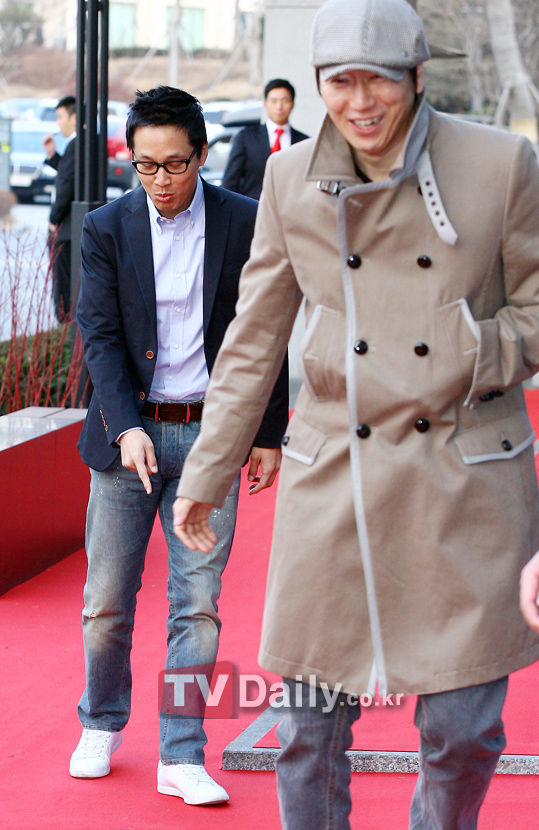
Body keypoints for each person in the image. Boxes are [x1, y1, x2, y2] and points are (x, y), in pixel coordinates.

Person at [172, 0, 539, 827]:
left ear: (419, 76)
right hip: (334, 476)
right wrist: (207, 470)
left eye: (381, 79)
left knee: (463, 733)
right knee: (306, 733)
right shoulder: (288, 178)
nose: (360, 101)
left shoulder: (502, 163)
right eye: (340, 81)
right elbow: (253, 338)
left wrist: (467, 349)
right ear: (318, 83)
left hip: (466, 479)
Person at [71, 85, 288, 806]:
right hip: (126, 435)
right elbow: (99, 335)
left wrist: (267, 432)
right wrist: (125, 425)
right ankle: (100, 721)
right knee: (107, 598)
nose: (159, 180)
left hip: (211, 437)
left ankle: (182, 752)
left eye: (173, 164)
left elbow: (268, 331)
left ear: (201, 155)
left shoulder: (245, 221)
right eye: (145, 165)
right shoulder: (106, 227)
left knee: (197, 602)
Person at [221, 78, 308, 199]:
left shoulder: (304, 142)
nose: (279, 106)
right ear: (265, 103)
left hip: (292, 207)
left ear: (293, 104)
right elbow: (230, 182)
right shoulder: (246, 138)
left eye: (285, 101)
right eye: (274, 101)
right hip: (254, 207)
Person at [43, 95, 76, 321]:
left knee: (63, 284)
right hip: (70, 225)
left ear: (74, 117)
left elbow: (67, 184)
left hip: (66, 227)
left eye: (61, 117)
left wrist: (53, 219)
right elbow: (69, 173)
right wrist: (52, 156)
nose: (58, 123)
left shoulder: (78, 144)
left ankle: (64, 327)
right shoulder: (78, 144)